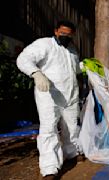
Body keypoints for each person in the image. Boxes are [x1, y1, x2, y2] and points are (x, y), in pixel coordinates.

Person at [16, 21, 83, 179]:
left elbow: (74, 69)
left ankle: (72, 153)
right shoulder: (44, 44)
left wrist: (85, 66)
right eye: (63, 33)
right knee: (49, 129)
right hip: (49, 96)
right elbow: (23, 59)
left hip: (70, 96)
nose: (65, 37)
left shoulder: (72, 50)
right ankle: (50, 168)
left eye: (69, 34)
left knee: (72, 127)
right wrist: (36, 73)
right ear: (56, 31)